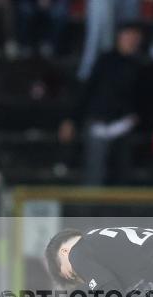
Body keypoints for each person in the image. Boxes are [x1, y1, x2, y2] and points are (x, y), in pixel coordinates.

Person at [59, 22, 144, 186]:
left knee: (122, 177)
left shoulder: (139, 67)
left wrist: (133, 119)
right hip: (98, 123)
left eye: (135, 38)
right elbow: (86, 92)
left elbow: (141, 100)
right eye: (128, 36)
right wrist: (70, 119)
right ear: (119, 38)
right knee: (94, 175)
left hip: (123, 125)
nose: (132, 41)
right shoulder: (104, 61)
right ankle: (89, 210)